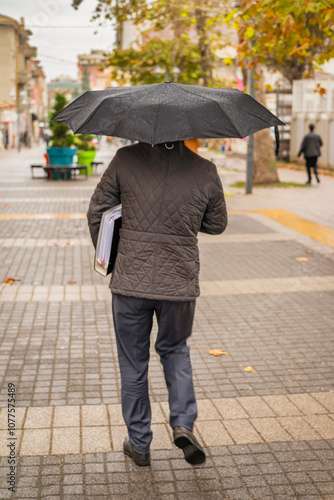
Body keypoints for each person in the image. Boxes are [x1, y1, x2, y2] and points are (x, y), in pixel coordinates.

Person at [87, 141, 227, 467]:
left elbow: (98, 210)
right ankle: (182, 423)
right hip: (179, 282)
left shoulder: (125, 159)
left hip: (130, 283)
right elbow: (217, 224)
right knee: (175, 350)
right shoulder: (205, 169)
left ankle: (139, 445)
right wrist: (186, 220)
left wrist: (109, 253)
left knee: (133, 362)